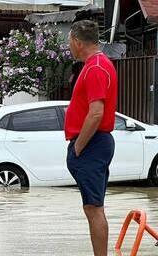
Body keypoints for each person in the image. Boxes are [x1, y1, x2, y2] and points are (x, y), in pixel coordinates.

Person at [65, 20, 117, 256]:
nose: (69, 47)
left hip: (92, 144)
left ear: (77, 41)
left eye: (69, 42)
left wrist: (78, 147)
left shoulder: (96, 67)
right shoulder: (96, 64)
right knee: (92, 207)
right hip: (94, 144)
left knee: (94, 208)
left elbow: (96, 113)